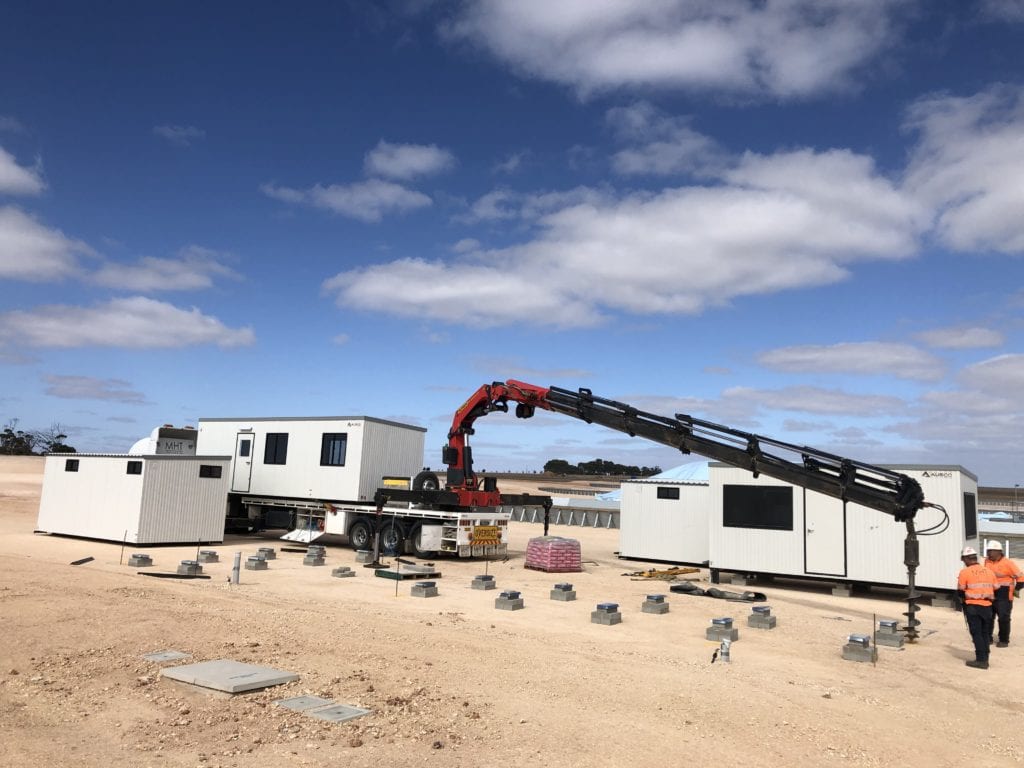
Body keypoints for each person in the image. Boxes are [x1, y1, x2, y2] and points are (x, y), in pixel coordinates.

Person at [957, 546, 995, 669]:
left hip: (973, 606)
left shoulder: (965, 572)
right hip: (988, 606)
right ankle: (986, 658)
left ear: (966, 559)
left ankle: (981, 660)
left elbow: (961, 591)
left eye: (963, 560)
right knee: (985, 633)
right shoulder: (988, 571)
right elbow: (997, 587)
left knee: (976, 633)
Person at [984, 540, 1024, 647]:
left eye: (991, 551)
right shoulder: (987, 561)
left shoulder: (1008, 563)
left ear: (998, 552)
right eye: (988, 551)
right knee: (988, 616)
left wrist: (1016, 589)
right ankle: (988, 638)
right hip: (990, 592)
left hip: (1004, 594)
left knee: (1003, 618)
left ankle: (1004, 640)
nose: (989, 553)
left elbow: (1021, 577)